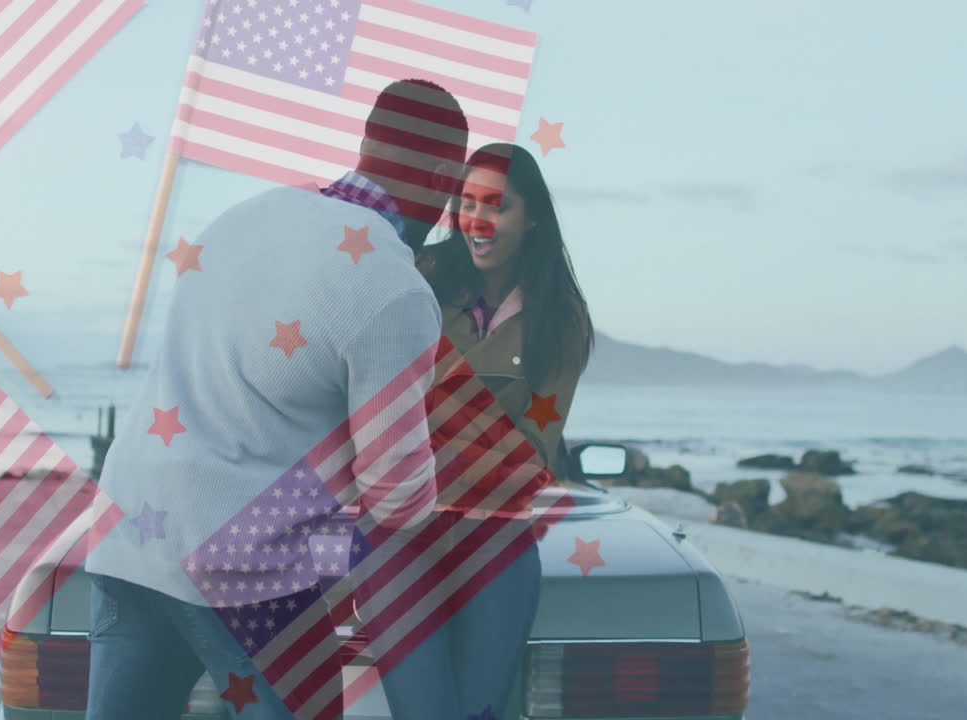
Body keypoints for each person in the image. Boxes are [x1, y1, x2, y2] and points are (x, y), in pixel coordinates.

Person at [81, 79, 470, 719]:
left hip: (128, 529)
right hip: (245, 567)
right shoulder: (394, 288)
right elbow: (396, 495)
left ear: (367, 144)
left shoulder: (245, 217)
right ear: (443, 178)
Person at [377, 142, 595, 719]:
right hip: (402, 539)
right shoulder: (420, 277)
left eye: (496, 206)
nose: (477, 220)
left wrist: (429, 428)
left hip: (497, 543)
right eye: (468, 203)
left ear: (532, 216)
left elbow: (533, 457)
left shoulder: (561, 316)